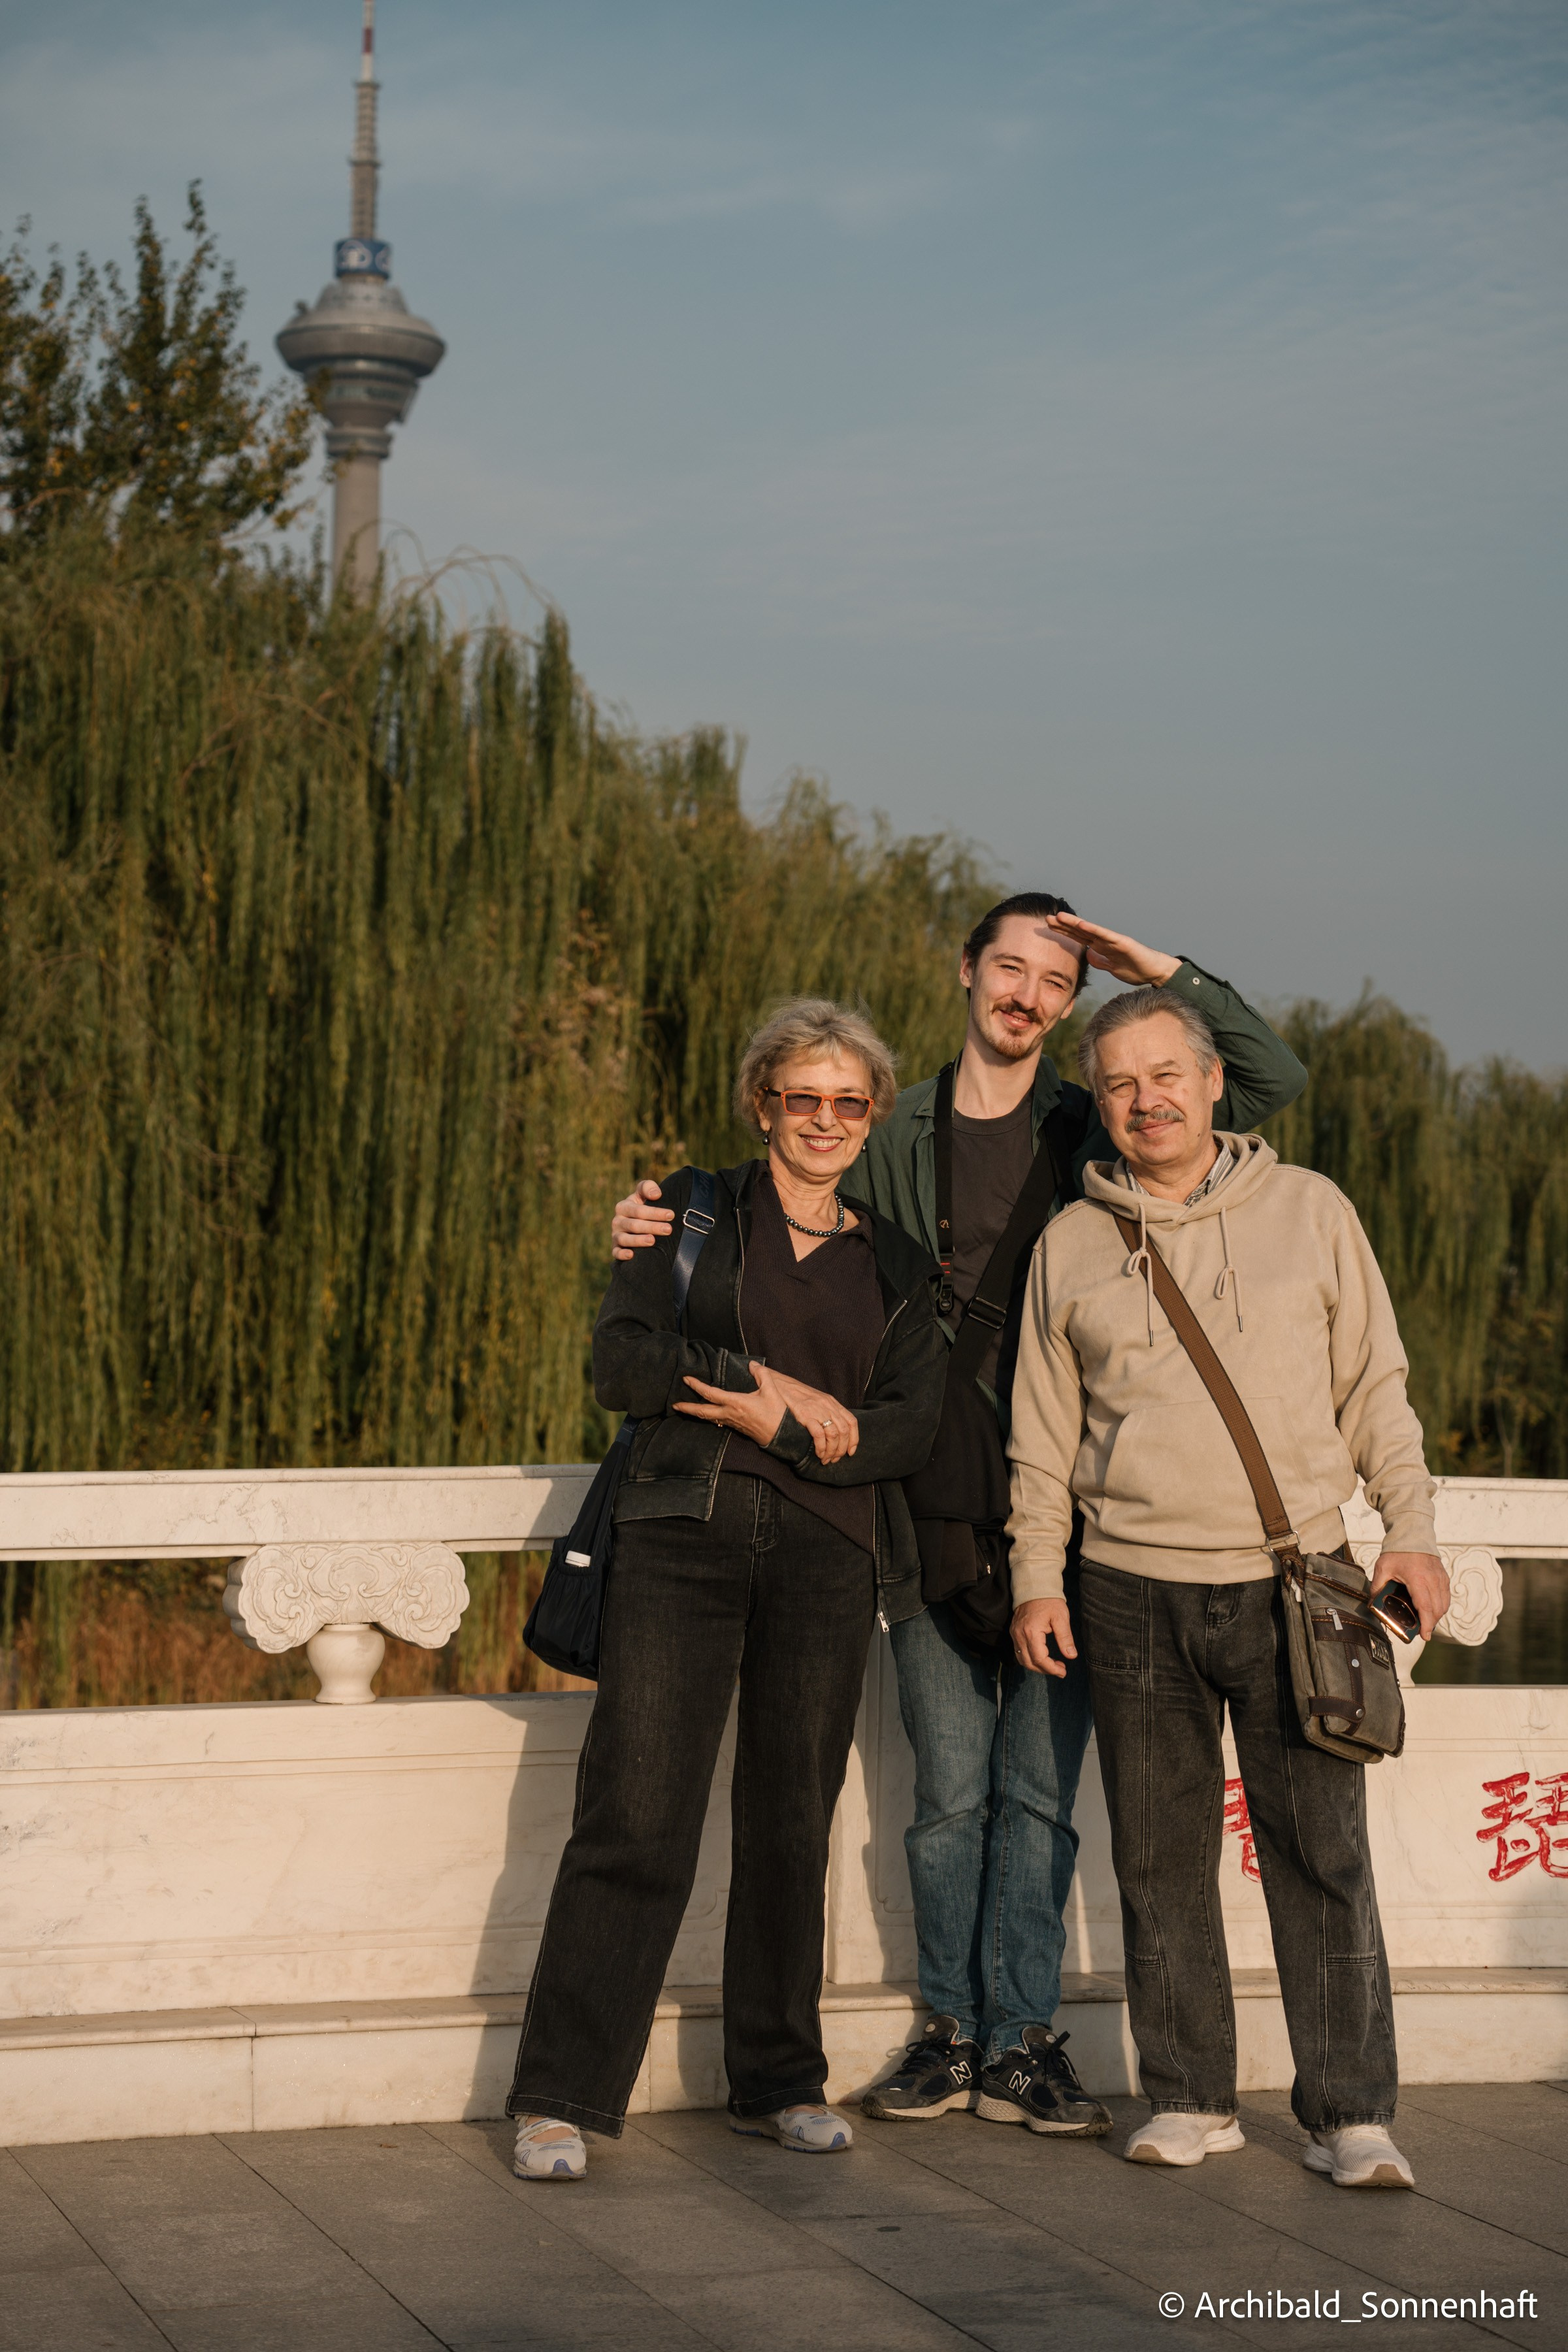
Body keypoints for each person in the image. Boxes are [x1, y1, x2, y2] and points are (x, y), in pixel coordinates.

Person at [610, 896, 1307, 2138]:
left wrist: (1150, 966)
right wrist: (657, 1218)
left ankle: (1023, 2039)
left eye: (1055, 979)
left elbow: (1263, 1076)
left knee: (1037, 1793)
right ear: (969, 975)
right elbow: (788, 1196)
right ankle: (947, 2033)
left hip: (1069, 1490)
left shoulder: (1092, 1117)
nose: (1029, 995)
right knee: (947, 1789)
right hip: (921, 1487)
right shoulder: (892, 1123)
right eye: (1010, 968)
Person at [1006, 985, 1448, 2187]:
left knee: (1322, 1857)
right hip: (1126, 1590)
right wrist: (1037, 1577)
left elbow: (1377, 1390)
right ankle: (1191, 2094)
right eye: (1118, 1084)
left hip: (1297, 1587)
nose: (1145, 1101)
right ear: (1097, 1105)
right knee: (1157, 1862)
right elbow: (1042, 1441)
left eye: (1166, 1075)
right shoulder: (1073, 1241)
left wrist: (1411, 1529)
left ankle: (1350, 2113)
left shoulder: (1309, 1212)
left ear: (1211, 1082)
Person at [508, 999, 946, 2180]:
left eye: (848, 1103)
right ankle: (561, 2096)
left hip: (825, 1554)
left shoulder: (896, 1264)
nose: (824, 1120)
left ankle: (776, 2081)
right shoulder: (687, 1213)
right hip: (680, 1533)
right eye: (801, 1098)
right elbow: (624, 1365)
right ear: (764, 1105)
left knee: (790, 1822)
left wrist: (797, 1438)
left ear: (872, 1118)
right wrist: (766, 1390)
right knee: (637, 1811)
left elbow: (910, 1425)